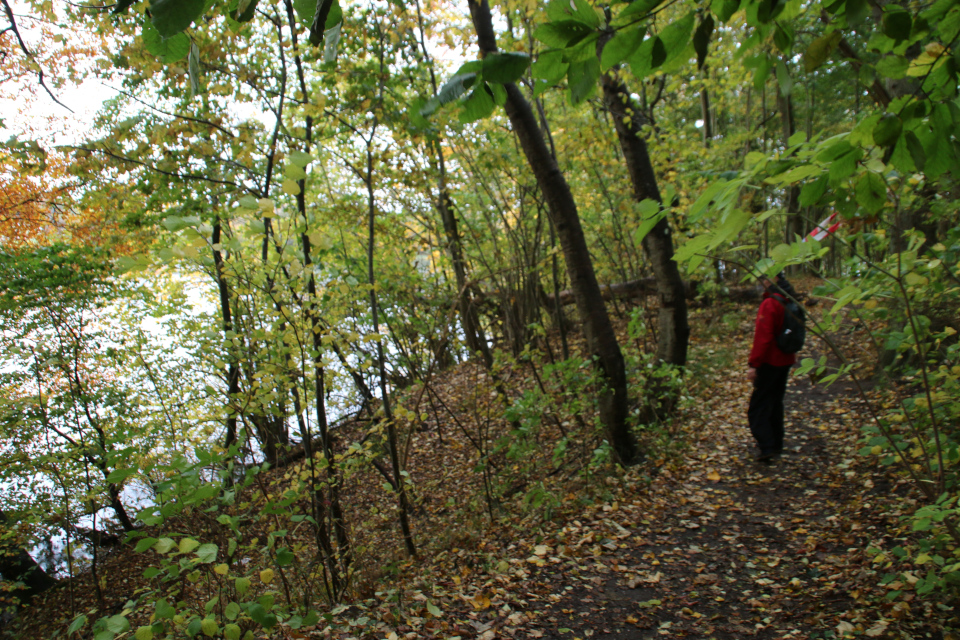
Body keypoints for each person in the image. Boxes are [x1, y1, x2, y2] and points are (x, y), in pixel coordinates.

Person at [747, 273, 797, 462]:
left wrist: (754, 365)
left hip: (770, 361)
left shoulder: (770, 304)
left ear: (773, 280)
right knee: (775, 402)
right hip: (785, 360)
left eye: (764, 279)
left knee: (758, 407)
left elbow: (763, 337)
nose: (762, 282)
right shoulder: (787, 300)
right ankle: (776, 444)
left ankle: (767, 446)